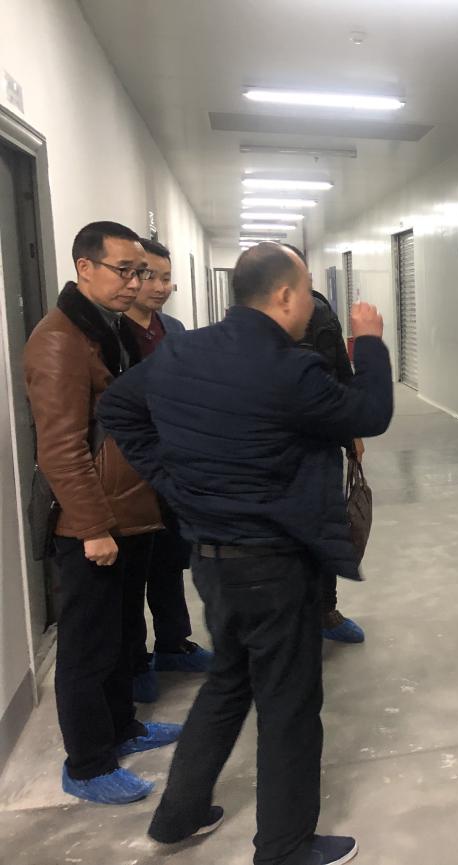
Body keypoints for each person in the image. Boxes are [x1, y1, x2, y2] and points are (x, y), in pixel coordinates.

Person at [99, 242, 394, 865]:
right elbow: (371, 412)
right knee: (289, 704)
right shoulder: (289, 367)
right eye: (307, 290)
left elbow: (116, 405)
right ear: (285, 296)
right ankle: (284, 848)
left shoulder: (181, 351)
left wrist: (174, 482)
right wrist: (368, 341)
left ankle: (178, 816)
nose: (311, 302)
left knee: (229, 683)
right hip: (276, 565)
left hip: (212, 560)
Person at [23, 221, 181, 804]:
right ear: (84, 267)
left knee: (119, 632)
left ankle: (122, 728)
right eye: (125, 271)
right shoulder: (59, 340)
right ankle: (87, 766)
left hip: (127, 509)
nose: (135, 283)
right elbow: (61, 447)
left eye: (141, 272)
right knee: (88, 647)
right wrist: (92, 528)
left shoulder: (104, 329)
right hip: (91, 522)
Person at [121, 237, 212, 702]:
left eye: (165, 277)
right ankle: (135, 662)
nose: (159, 287)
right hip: (128, 471)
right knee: (130, 573)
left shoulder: (172, 329)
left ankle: (174, 644)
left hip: (173, 465)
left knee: (171, 560)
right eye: (149, 276)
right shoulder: (113, 331)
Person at [285, 242, 366, 644]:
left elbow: (341, 373)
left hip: (322, 444)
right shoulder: (253, 323)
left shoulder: (321, 312)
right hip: (275, 450)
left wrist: (352, 433)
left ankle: (326, 611)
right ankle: (290, 618)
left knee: (328, 527)